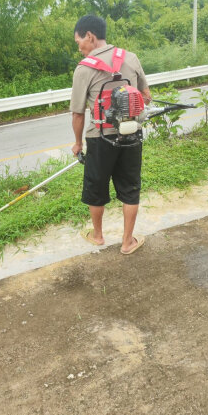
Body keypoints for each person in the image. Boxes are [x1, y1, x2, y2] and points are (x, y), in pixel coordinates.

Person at [70, 15, 152, 255]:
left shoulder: (84, 68)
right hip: (131, 135)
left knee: (96, 187)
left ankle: (97, 236)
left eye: (78, 42)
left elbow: (77, 114)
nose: (79, 47)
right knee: (130, 188)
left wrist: (77, 143)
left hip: (100, 137)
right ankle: (127, 243)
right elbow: (146, 96)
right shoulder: (131, 57)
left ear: (90, 36)